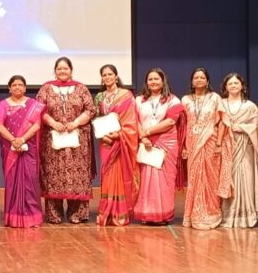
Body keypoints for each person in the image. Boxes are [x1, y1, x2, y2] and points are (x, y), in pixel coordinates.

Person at [36, 57, 96, 224]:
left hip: (78, 140)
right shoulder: (46, 88)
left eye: (66, 69)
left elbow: (90, 110)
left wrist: (75, 123)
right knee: (54, 175)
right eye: (59, 69)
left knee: (77, 175)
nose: (62, 72)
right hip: (53, 140)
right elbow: (39, 110)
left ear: (71, 70)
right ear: (55, 71)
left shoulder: (81, 88)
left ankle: (76, 214)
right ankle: (54, 214)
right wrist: (53, 123)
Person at [133, 68, 186, 225]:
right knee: (146, 179)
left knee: (163, 180)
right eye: (150, 79)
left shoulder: (174, 100)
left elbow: (170, 122)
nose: (153, 82)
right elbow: (134, 120)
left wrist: (148, 132)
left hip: (166, 143)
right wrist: (143, 137)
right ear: (146, 82)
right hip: (145, 142)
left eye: (157, 79)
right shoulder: (139, 100)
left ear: (163, 81)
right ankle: (146, 214)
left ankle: (163, 215)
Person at [181, 67, 231, 229]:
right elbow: (182, 125)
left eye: (202, 77)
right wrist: (183, 145)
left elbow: (223, 121)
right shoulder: (186, 100)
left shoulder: (215, 98)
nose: (199, 80)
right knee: (195, 178)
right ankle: (193, 215)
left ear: (207, 81)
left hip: (210, 141)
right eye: (196, 77)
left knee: (211, 178)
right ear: (192, 81)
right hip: (192, 143)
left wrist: (218, 144)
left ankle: (211, 213)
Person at [0, 75, 46, 228]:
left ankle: (32, 217)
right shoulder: (3, 104)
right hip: (10, 149)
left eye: (20, 85)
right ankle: (13, 217)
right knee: (12, 183)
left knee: (30, 182)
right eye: (14, 85)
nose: (17, 87)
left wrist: (22, 139)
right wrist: (13, 140)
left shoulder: (33, 105)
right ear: (9, 88)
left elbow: (37, 125)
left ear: (25, 88)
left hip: (28, 148)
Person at [93, 64, 139, 227]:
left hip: (121, 141)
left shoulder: (126, 95)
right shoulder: (99, 97)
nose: (107, 77)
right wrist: (103, 136)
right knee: (107, 175)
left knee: (120, 174)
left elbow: (131, 120)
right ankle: (107, 211)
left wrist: (118, 135)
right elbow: (97, 119)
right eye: (104, 75)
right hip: (105, 141)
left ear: (116, 76)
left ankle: (120, 212)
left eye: (110, 74)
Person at [219, 73, 258, 228]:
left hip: (245, 145)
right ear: (225, 87)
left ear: (242, 86)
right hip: (226, 144)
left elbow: (256, 125)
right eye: (230, 84)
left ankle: (246, 215)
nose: (233, 86)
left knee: (245, 177)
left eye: (236, 83)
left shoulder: (249, 106)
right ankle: (229, 215)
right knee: (227, 177)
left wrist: (241, 127)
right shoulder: (221, 103)